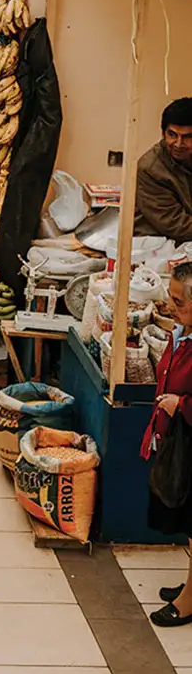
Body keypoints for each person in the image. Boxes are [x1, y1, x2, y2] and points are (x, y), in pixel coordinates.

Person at [140, 261, 192, 625]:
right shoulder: (182, 332)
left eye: (179, 302)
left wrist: (182, 405)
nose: (171, 307)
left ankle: (189, 602)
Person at [136, 98, 192, 241]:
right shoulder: (150, 168)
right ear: (163, 133)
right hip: (158, 244)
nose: (178, 144)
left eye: (187, 137)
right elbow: (176, 225)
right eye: (172, 135)